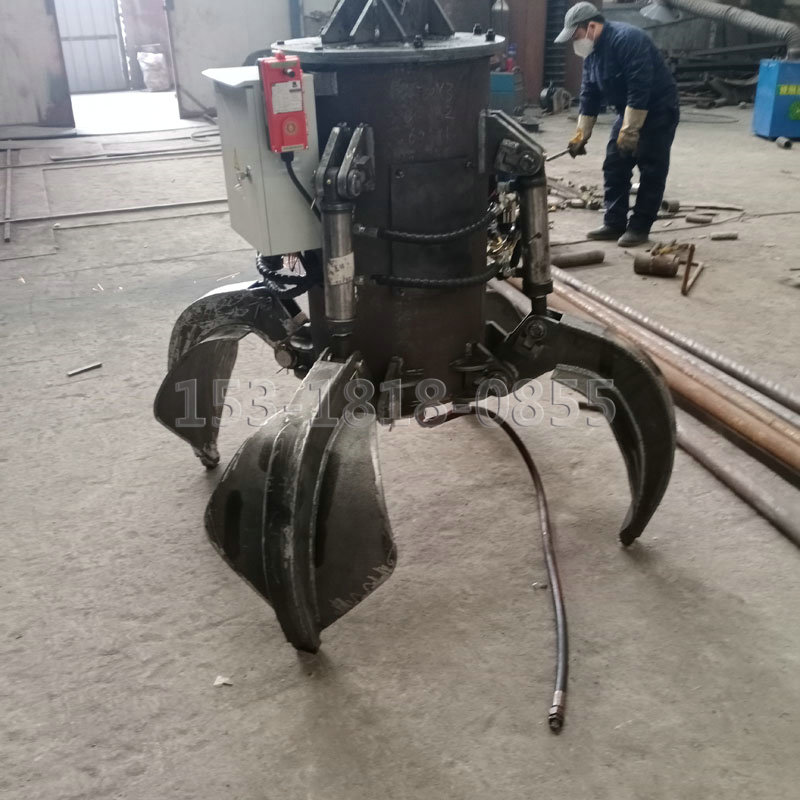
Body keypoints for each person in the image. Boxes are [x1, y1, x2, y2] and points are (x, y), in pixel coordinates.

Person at [555, 2, 679, 247]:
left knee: (651, 168)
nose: (574, 43)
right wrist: (581, 134)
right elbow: (589, 93)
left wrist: (631, 130)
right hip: (628, 111)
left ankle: (639, 228)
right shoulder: (592, 52)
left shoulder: (628, 40)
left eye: (576, 36)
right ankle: (614, 223)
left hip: (657, 111)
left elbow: (639, 87)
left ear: (591, 27)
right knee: (614, 164)